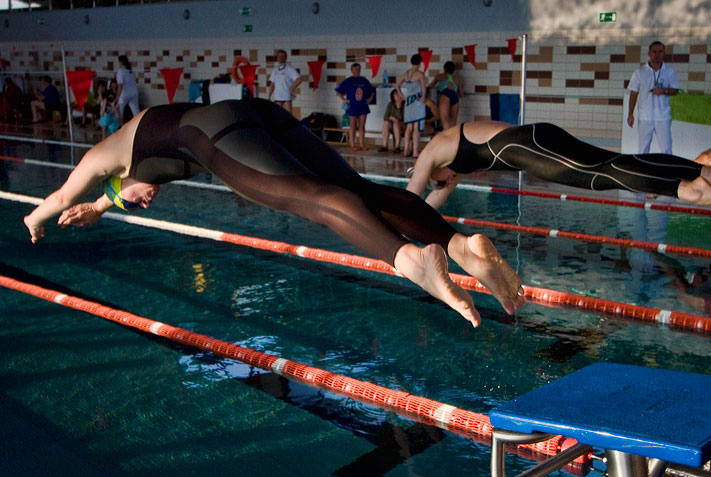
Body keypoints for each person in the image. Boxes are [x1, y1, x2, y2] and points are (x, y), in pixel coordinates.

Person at [22, 99, 525, 328]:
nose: (146, 200)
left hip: (214, 133)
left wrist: (35, 218)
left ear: (114, 175)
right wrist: (103, 205)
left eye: (131, 199)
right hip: (253, 111)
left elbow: (63, 197)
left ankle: (411, 261)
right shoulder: (140, 159)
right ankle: (463, 247)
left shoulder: (102, 155)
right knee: (357, 187)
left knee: (309, 197)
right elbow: (118, 192)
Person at [404, 121, 711, 210]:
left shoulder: (432, 152)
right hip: (537, 139)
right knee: (613, 165)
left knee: (601, 176)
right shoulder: (452, 164)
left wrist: (393, 244)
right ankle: (703, 172)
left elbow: (410, 201)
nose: (447, 182)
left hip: (526, 146)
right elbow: (430, 207)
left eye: (441, 181)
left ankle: (685, 189)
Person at [627, 41, 679, 154]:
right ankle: (641, 166)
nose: (657, 55)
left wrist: (663, 91)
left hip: (662, 116)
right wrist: (630, 114)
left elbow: (675, 90)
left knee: (666, 149)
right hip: (645, 116)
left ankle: (667, 166)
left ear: (664, 53)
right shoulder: (640, 72)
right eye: (654, 52)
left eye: (660, 52)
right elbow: (633, 93)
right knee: (643, 150)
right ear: (649, 53)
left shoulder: (669, 71)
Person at [335, 63, 376, 151]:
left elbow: (372, 91)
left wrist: (370, 99)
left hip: (363, 106)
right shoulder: (348, 81)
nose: (357, 71)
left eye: (358, 69)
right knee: (353, 125)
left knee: (362, 126)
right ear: (352, 70)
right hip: (352, 106)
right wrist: (344, 100)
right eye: (355, 69)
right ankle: (352, 144)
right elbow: (338, 91)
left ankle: (361, 144)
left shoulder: (364, 80)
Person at [396, 54, 427, 158]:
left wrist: (403, 97)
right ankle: (415, 152)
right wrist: (423, 98)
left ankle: (406, 150)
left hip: (408, 103)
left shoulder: (405, 74)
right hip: (417, 102)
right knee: (416, 128)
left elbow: (397, 86)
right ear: (420, 62)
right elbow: (424, 88)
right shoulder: (420, 74)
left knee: (409, 128)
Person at [428, 61, 463, 131]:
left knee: (444, 119)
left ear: (444, 68)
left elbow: (430, 86)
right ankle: (452, 136)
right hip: (454, 96)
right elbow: (461, 94)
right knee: (453, 120)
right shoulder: (457, 79)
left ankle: (447, 135)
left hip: (445, 95)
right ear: (453, 70)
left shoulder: (439, 76)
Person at [267, 49, 302, 113]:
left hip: (286, 97)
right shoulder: (275, 70)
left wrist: (292, 88)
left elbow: (299, 79)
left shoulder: (289, 69)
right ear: (277, 58)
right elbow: (272, 83)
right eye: (279, 57)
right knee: (278, 116)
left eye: (282, 56)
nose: (281, 58)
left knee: (288, 115)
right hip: (277, 97)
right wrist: (269, 96)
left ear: (286, 58)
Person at [115, 55, 140, 123]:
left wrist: (117, 96)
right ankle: (139, 124)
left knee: (119, 111)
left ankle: (119, 125)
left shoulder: (120, 71)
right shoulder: (131, 71)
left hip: (124, 94)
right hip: (134, 92)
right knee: (136, 112)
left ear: (120, 62)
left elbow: (120, 85)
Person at [379, 88, 404, 153]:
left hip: (403, 125)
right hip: (393, 124)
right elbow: (385, 116)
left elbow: (401, 118)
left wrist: (399, 107)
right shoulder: (391, 104)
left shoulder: (404, 104)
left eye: (398, 94)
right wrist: (391, 118)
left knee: (396, 123)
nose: (398, 95)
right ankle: (385, 145)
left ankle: (397, 146)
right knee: (386, 123)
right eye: (396, 94)